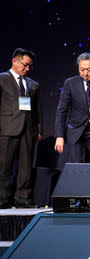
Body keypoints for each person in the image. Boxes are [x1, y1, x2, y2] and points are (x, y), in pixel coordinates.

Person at [0, 48, 42, 208]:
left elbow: (38, 110)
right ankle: (3, 198)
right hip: (7, 129)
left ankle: (22, 198)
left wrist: (38, 131)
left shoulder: (33, 84)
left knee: (25, 166)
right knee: (4, 166)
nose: (27, 69)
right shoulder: (2, 79)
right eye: (25, 65)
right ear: (14, 61)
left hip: (27, 130)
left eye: (30, 66)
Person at [54, 53, 90, 165]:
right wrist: (60, 135)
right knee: (76, 167)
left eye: (89, 70)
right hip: (75, 131)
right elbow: (62, 111)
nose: (85, 73)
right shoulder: (70, 83)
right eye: (82, 69)